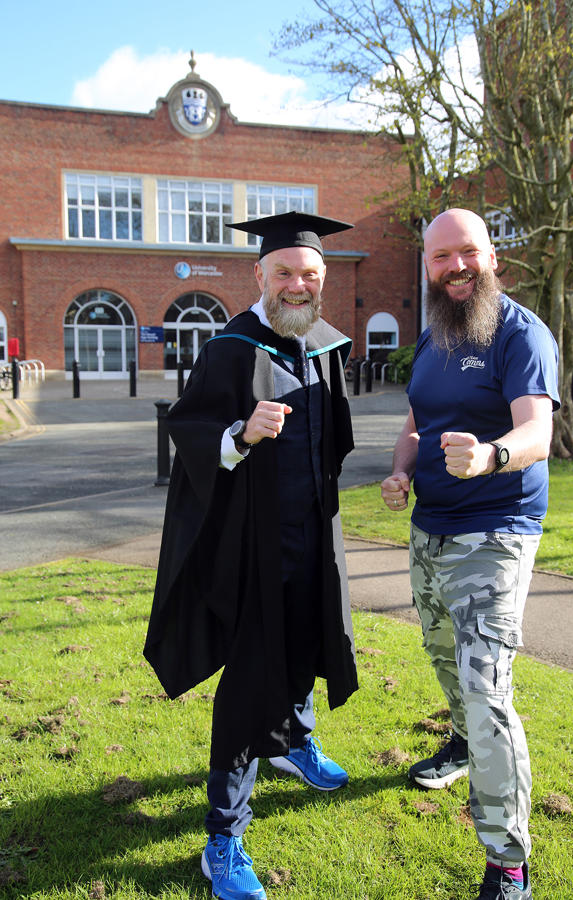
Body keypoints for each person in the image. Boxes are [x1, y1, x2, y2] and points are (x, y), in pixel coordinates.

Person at [144, 211, 358, 900]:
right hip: (251, 547)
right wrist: (241, 432)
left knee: (307, 645)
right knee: (246, 691)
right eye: (286, 272)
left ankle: (297, 743)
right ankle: (223, 837)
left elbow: (337, 441)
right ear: (258, 274)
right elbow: (192, 429)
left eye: (310, 275)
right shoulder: (230, 348)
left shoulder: (326, 346)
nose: (298, 284)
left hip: (314, 538)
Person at [381, 208, 560, 900]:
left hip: (498, 527)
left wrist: (490, 456)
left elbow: (538, 432)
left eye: (466, 253)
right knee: (439, 653)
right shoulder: (433, 338)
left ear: (491, 256)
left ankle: (508, 861)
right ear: (425, 266)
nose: (454, 267)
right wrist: (399, 472)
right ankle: (460, 743)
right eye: (439, 258)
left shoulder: (520, 333)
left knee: (487, 686)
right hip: (431, 529)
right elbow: (415, 423)